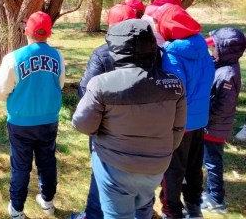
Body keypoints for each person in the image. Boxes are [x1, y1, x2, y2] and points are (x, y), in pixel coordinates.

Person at [73, 19, 187, 219]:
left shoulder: (101, 84)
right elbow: (177, 130)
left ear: (115, 47)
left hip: (114, 165)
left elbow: (82, 124)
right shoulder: (173, 84)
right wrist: (161, 152)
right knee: (143, 208)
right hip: (156, 166)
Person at [0, 11, 65, 219]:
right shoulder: (57, 56)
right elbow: (58, 84)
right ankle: (48, 201)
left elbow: (1, 90)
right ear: (49, 33)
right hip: (49, 119)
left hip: (21, 121)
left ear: (26, 30)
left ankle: (17, 208)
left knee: (21, 165)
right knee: (47, 161)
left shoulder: (13, 58)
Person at [71, 4, 136, 219]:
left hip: (107, 126)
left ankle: (94, 214)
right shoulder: (154, 51)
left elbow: (86, 89)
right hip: (142, 125)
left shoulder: (102, 53)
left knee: (102, 172)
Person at [152, 4, 214, 219]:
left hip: (180, 123)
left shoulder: (172, 54)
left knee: (173, 169)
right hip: (199, 120)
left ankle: (172, 211)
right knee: (194, 166)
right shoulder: (202, 49)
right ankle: (194, 207)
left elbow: (175, 90)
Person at [201, 28, 246, 213]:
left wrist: (205, 118)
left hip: (214, 127)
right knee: (210, 161)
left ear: (226, 50)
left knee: (212, 163)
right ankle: (212, 194)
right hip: (214, 126)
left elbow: (222, 106)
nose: (212, 52)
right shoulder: (225, 67)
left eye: (215, 49)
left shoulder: (228, 74)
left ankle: (217, 199)